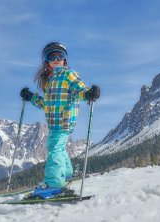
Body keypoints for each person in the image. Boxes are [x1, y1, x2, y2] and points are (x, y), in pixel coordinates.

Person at [20, 42, 100, 198]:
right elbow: (47, 105)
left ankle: (54, 183)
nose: (56, 58)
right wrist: (32, 98)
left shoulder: (68, 74)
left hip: (63, 120)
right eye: (52, 56)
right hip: (54, 122)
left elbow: (78, 88)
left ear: (65, 60)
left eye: (60, 55)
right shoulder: (50, 81)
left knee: (54, 148)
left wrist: (88, 93)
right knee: (58, 147)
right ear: (47, 61)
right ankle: (67, 174)